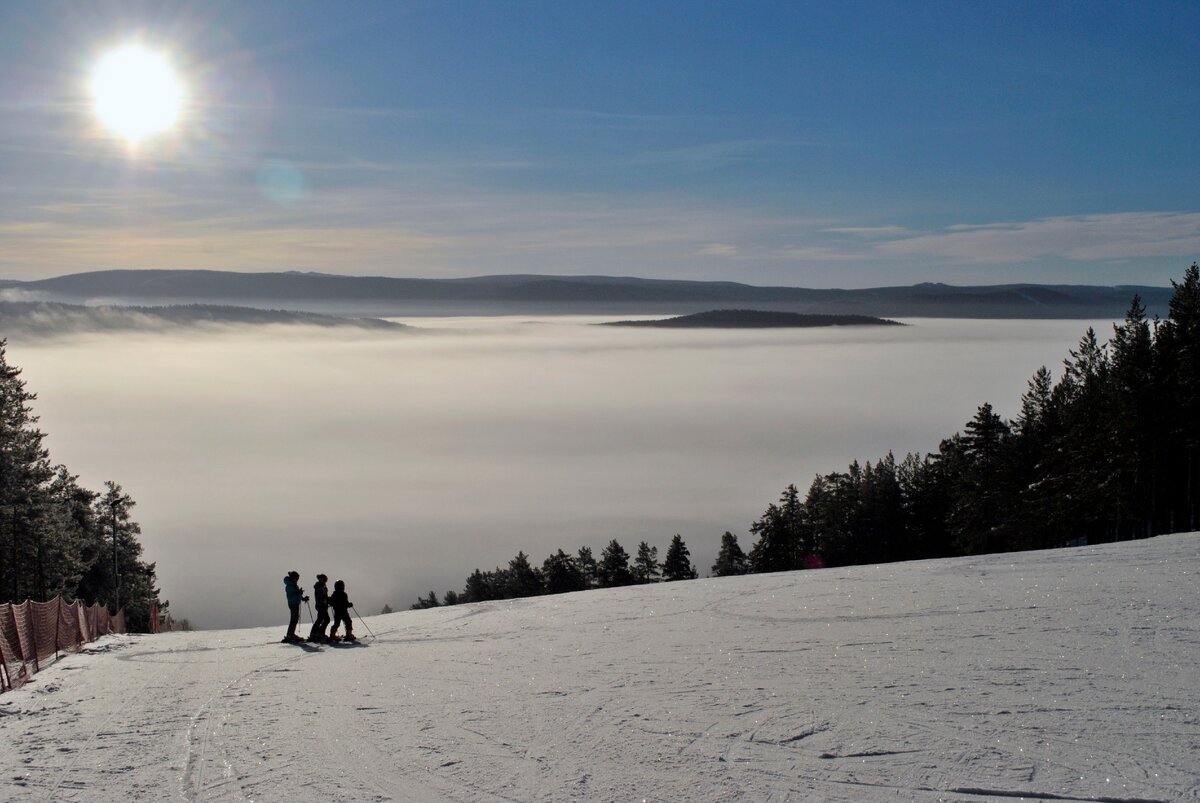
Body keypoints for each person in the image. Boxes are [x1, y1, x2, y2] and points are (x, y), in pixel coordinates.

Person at [282, 571, 308, 643]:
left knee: (295, 618)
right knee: (294, 619)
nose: (297, 580)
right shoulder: (290, 586)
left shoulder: (292, 585)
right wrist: (299, 593)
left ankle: (290, 634)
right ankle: (290, 634)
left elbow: (296, 594)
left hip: (294, 603)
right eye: (297, 578)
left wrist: (303, 598)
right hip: (293, 604)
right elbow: (292, 597)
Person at [307, 573, 330, 642]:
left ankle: (315, 633)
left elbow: (323, 596)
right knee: (325, 619)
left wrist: (327, 599)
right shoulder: (319, 587)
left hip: (322, 605)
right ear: (321, 579)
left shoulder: (322, 586)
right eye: (324, 580)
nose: (325, 581)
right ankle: (318, 633)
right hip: (321, 605)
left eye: (326, 580)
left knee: (321, 619)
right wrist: (327, 599)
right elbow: (321, 596)